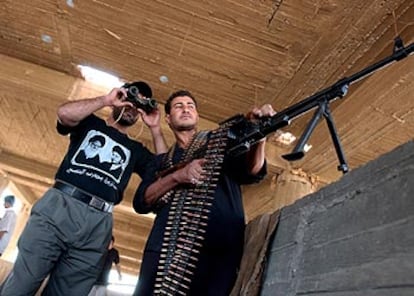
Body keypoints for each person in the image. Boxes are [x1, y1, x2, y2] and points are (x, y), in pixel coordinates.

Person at [0, 81, 168, 296]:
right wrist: (105, 100)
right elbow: (64, 113)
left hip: (98, 223)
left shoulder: (136, 150)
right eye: (131, 98)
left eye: (140, 105)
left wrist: (155, 128)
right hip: (60, 206)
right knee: (24, 282)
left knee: (68, 292)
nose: (133, 107)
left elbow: (163, 170)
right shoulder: (90, 123)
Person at [133, 90, 276, 295]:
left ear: (198, 116)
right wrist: (177, 176)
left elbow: (251, 171)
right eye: (178, 106)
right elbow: (142, 201)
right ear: (168, 118)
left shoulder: (220, 142)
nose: (185, 109)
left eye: (191, 105)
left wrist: (259, 135)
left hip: (220, 250)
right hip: (166, 248)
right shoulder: (162, 162)